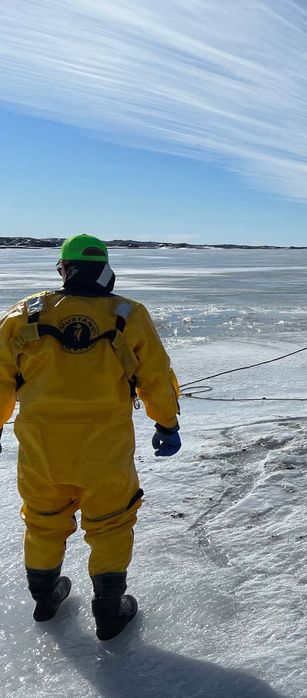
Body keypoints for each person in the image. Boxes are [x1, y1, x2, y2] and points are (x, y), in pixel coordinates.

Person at [0, 234, 181, 640]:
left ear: (64, 268)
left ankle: (45, 598)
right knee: (112, 523)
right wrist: (166, 424)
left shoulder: (22, 314)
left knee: (44, 522)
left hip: (42, 449)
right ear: (105, 269)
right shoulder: (128, 314)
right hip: (105, 450)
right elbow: (155, 377)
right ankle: (109, 608)